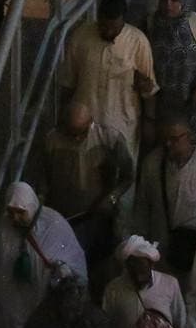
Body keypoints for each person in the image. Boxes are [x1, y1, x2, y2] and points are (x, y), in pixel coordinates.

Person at [0, 182, 87, 328]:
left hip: (44, 304)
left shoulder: (54, 224)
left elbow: (73, 259)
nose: (15, 218)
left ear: (31, 207)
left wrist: (61, 269)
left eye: (20, 212)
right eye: (11, 212)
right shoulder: (3, 229)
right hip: (13, 305)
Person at [30, 100, 128, 275]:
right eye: (71, 133)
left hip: (98, 217)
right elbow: (42, 176)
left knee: (100, 265)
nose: (76, 139)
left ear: (90, 123)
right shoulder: (52, 140)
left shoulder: (109, 138)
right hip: (64, 217)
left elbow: (128, 175)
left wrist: (112, 198)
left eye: (80, 133)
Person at [127, 116, 196, 275]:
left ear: (189, 137)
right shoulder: (152, 163)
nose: (168, 144)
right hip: (162, 250)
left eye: (174, 139)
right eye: (165, 140)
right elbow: (142, 208)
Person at [59, 0, 154, 151]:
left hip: (122, 124)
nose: (108, 32)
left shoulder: (138, 42)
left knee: (121, 172)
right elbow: (68, 81)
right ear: (98, 17)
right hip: (85, 124)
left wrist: (149, 121)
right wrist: (64, 115)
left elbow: (150, 90)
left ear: (123, 21)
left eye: (114, 28)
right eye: (104, 27)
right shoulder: (81, 36)